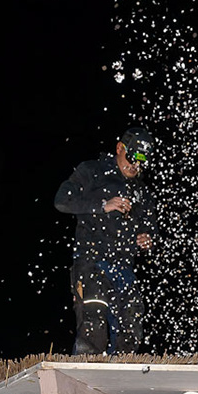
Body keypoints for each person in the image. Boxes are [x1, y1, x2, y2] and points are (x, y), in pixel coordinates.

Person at [55, 127, 157, 355]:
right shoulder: (93, 171)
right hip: (91, 260)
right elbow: (62, 201)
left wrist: (148, 239)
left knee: (131, 321)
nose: (135, 165)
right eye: (132, 157)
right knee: (94, 321)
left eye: (142, 161)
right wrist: (102, 205)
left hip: (123, 265)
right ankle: (87, 365)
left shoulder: (141, 192)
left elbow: (151, 227)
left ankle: (123, 368)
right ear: (120, 148)